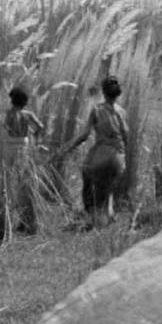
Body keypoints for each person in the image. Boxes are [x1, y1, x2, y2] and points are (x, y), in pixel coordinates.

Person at [66, 76, 128, 229]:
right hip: (119, 156)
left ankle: (91, 213)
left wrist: (69, 147)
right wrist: (122, 154)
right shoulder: (122, 112)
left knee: (87, 173)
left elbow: (85, 135)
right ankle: (109, 214)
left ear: (103, 92)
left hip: (102, 154)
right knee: (109, 184)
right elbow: (126, 134)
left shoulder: (97, 110)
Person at [0, 86, 45, 236]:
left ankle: (9, 218)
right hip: (23, 147)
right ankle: (27, 220)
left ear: (12, 101)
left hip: (9, 147)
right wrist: (36, 139)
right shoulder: (28, 114)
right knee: (24, 182)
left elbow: (4, 129)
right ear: (25, 101)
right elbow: (40, 127)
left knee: (7, 181)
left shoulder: (9, 114)